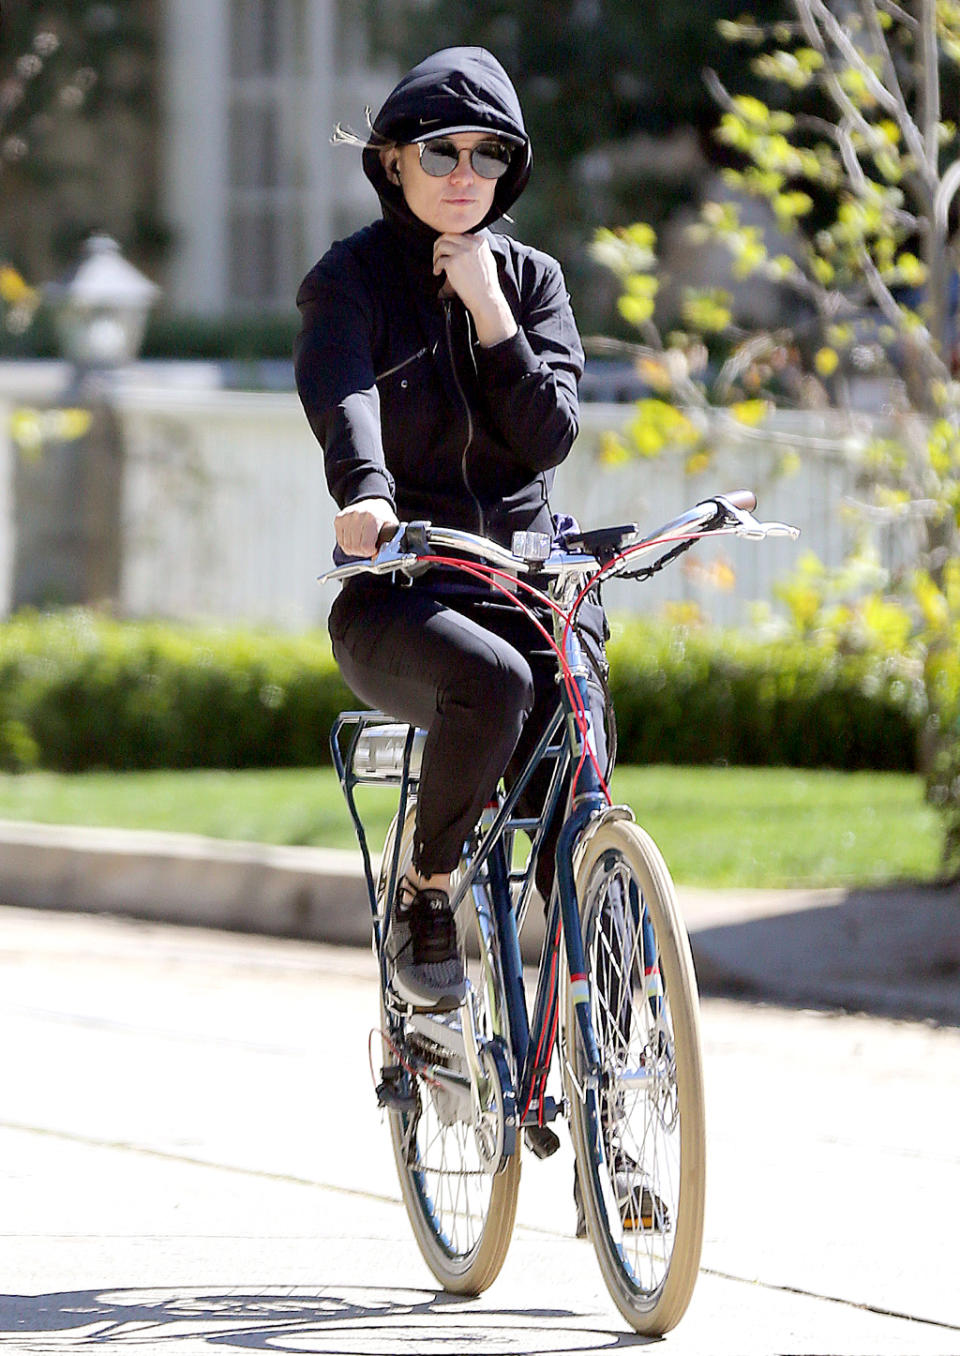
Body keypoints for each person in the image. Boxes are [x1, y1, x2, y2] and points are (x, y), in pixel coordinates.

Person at [295, 47, 607, 1014]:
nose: (464, 175)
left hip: (525, 578)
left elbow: (548, 436)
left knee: (574, 707)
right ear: (393, 160)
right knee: (494, 680)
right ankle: (427, 897)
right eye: (441, 153)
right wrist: (366, 494)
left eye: (487, 156)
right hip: (401, 594)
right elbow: (343, 392)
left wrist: (491, 310)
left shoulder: (532, 279)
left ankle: (604, 986)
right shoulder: (347, 282)